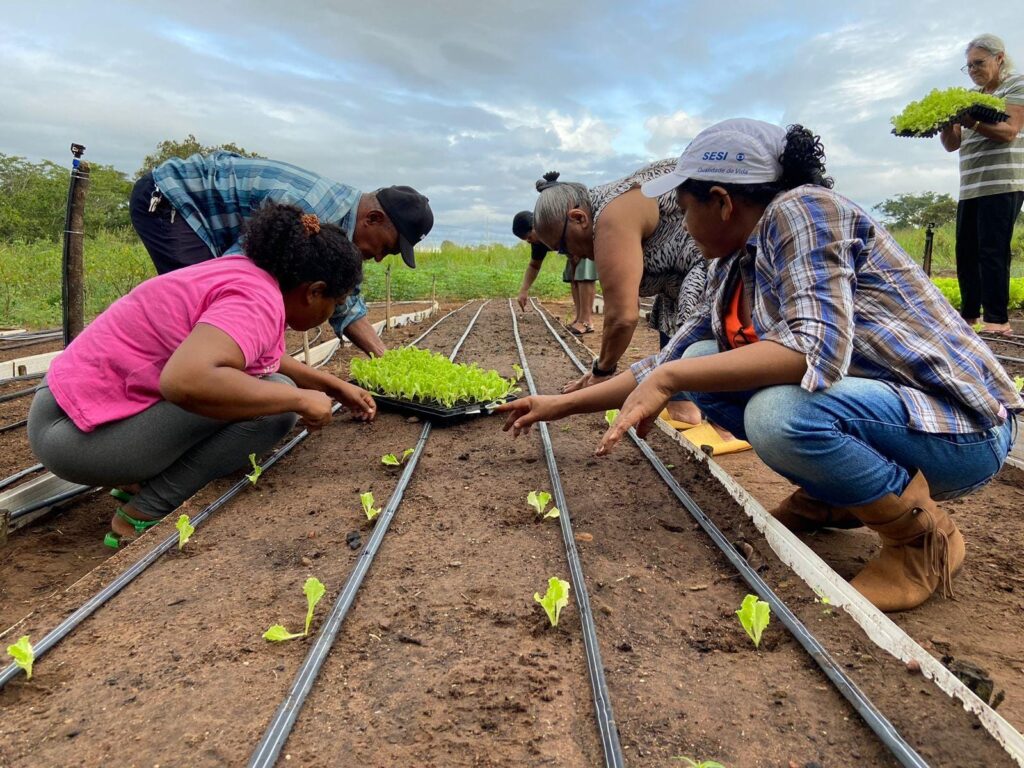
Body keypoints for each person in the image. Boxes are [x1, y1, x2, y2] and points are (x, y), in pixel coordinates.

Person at [498, 119, 1022, 612]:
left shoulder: (804, 212)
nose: (680, 223)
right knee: (704, 358)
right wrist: (561, 405)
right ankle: (829, 498)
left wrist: (671, 378)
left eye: (683, 207)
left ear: (722, 202)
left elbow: (810, 350)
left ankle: (922, 540)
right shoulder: (733, 262)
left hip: (962, 430)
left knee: (780, 415)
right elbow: (670, 359)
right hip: (889, 415)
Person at [29, 203, 377, 548]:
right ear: (314, 291)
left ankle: (138, 480)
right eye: (336, 302)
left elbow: (255, 356)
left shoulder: (247, 273)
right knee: (276, 406)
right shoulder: (257, 300)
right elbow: (185, 381)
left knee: (272, 388)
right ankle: (143, 512)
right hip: (74, 438)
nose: (332, 312)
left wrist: (333, 385)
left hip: (70, 412)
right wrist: (300, 399)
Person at [130, 151, 435, 357]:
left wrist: (384, 358)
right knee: (211, 302)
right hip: (175, 199)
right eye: (386, 248)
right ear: (373, 218)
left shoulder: (342, 230)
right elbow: (245, 274)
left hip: (211, 222)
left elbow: (346, 299)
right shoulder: (311, 210)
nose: (380, 258)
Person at [529, 168, 740, 451]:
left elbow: (622, 317)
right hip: (681, 280)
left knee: (697, 353)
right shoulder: (602, 208)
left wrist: (602, 371)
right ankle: (689, 411)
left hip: (710, 267)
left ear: (578, 218)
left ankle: (723, 426)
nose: (573, 256)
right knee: (675, 348)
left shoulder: (610, 217)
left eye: (564, 248)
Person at [940, 34, 1024, 337]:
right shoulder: (969, 96)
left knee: (992, 250)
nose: (973, 70)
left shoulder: (1016, 84)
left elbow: (1010, 131)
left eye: (979, 63)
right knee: (966, 251)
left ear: (999, 58)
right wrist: (947, 123)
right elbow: (952, 144)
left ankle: (997, 320)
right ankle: (970, 316)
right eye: (969, 66)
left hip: (1002, 182)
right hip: (971, 185)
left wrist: (972, 121)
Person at [512, 210, 597, 335]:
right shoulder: (537, 242)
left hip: (585, 240)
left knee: (584, 274)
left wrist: (576, 253)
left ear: (536, 226)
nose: (529, 241)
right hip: (573, 251)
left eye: (529, 237)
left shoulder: (552, 224)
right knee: (572, 277)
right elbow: (534, 265)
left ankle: (586, 321)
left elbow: (575, 230)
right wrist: (524, 290)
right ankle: (579, 319)